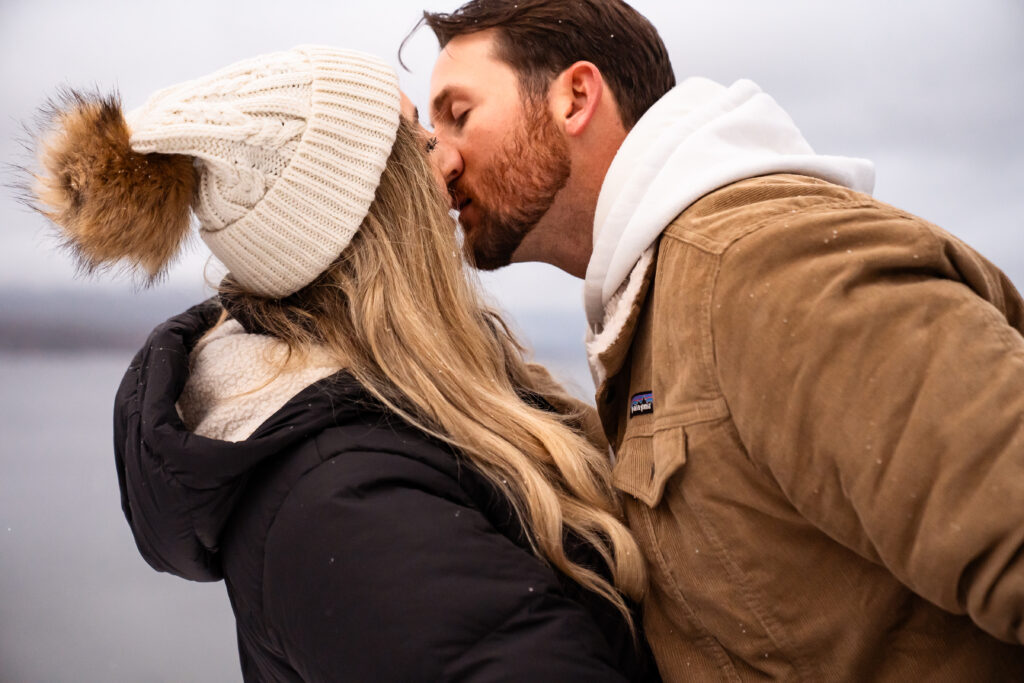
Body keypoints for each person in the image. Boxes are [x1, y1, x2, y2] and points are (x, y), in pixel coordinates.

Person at [413, 1, 1024, 680]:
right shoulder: (661, 295)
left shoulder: (764, 269)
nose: (439, 165)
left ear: (575, 98)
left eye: (458, 115)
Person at [27, 46, 662, 682]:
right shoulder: (344, 506)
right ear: (378, 214)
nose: (450, 155)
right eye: (416, 137)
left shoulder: (398, 417)